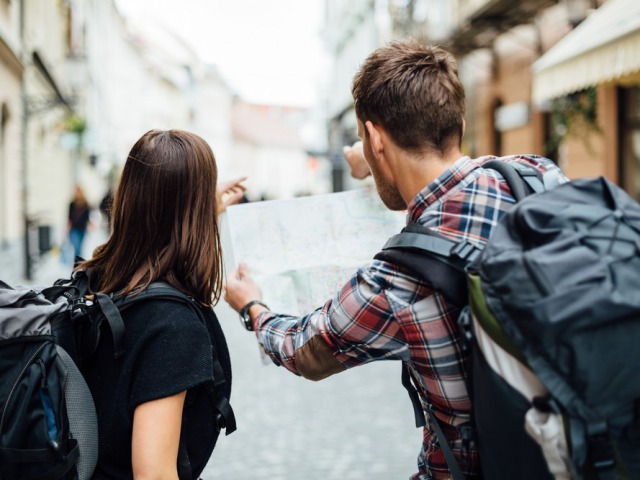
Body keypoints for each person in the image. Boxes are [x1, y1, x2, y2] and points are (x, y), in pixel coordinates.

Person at [223, 40, 567, 480]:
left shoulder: (397, 280)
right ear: (458, 121)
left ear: (376, 139)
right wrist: (373, 157)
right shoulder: (533, 173)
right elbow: (452, 181)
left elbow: (302, 350)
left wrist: (253, 307)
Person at [76, 129, 245, 479]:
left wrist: (200, 206)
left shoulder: (97, 279)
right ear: (193, 216)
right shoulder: (172, 326)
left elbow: (158, 226)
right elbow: (153, 473)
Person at [67, 185, 92, 260]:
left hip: (82, 229)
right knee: (76, 246)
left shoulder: (86, 204)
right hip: (74, 229)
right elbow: (69, 217)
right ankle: (77, 262)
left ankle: (78, 261)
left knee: (80, 247)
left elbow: (87, 217)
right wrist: (67, 228)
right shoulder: (72, 204)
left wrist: (90, 224)